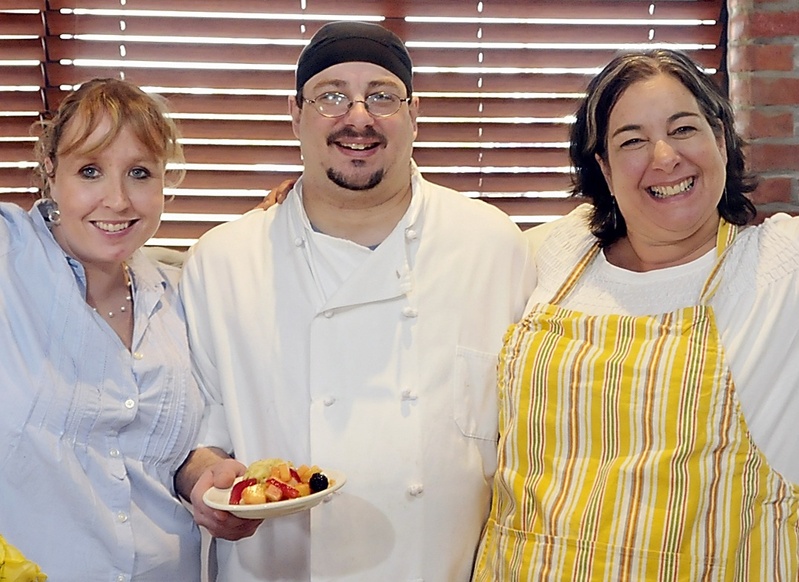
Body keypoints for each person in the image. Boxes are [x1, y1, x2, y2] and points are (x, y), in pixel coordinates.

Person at [174, 20, 535, 581]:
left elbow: (531, 430)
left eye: (383, 96)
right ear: (295, 115)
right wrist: (205, 484)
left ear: (414, 115)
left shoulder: (492, 246)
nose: (358, 116)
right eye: (332, 96)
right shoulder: (222, 263)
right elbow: (193, 436)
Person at [473, 48, 799, 580]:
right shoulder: (556, 253)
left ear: (720, 138)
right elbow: (431, 248)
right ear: (601, 165)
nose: (665, 156)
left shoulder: (778, 267)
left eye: (684, 128)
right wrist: (302, 204)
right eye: (631, 140)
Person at [0, 78, 205, 580]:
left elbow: (178, 455)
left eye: (139, 173)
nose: (117, 200)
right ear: (50, 173)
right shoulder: (9, 257)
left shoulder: (180, 295)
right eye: (89, 171)